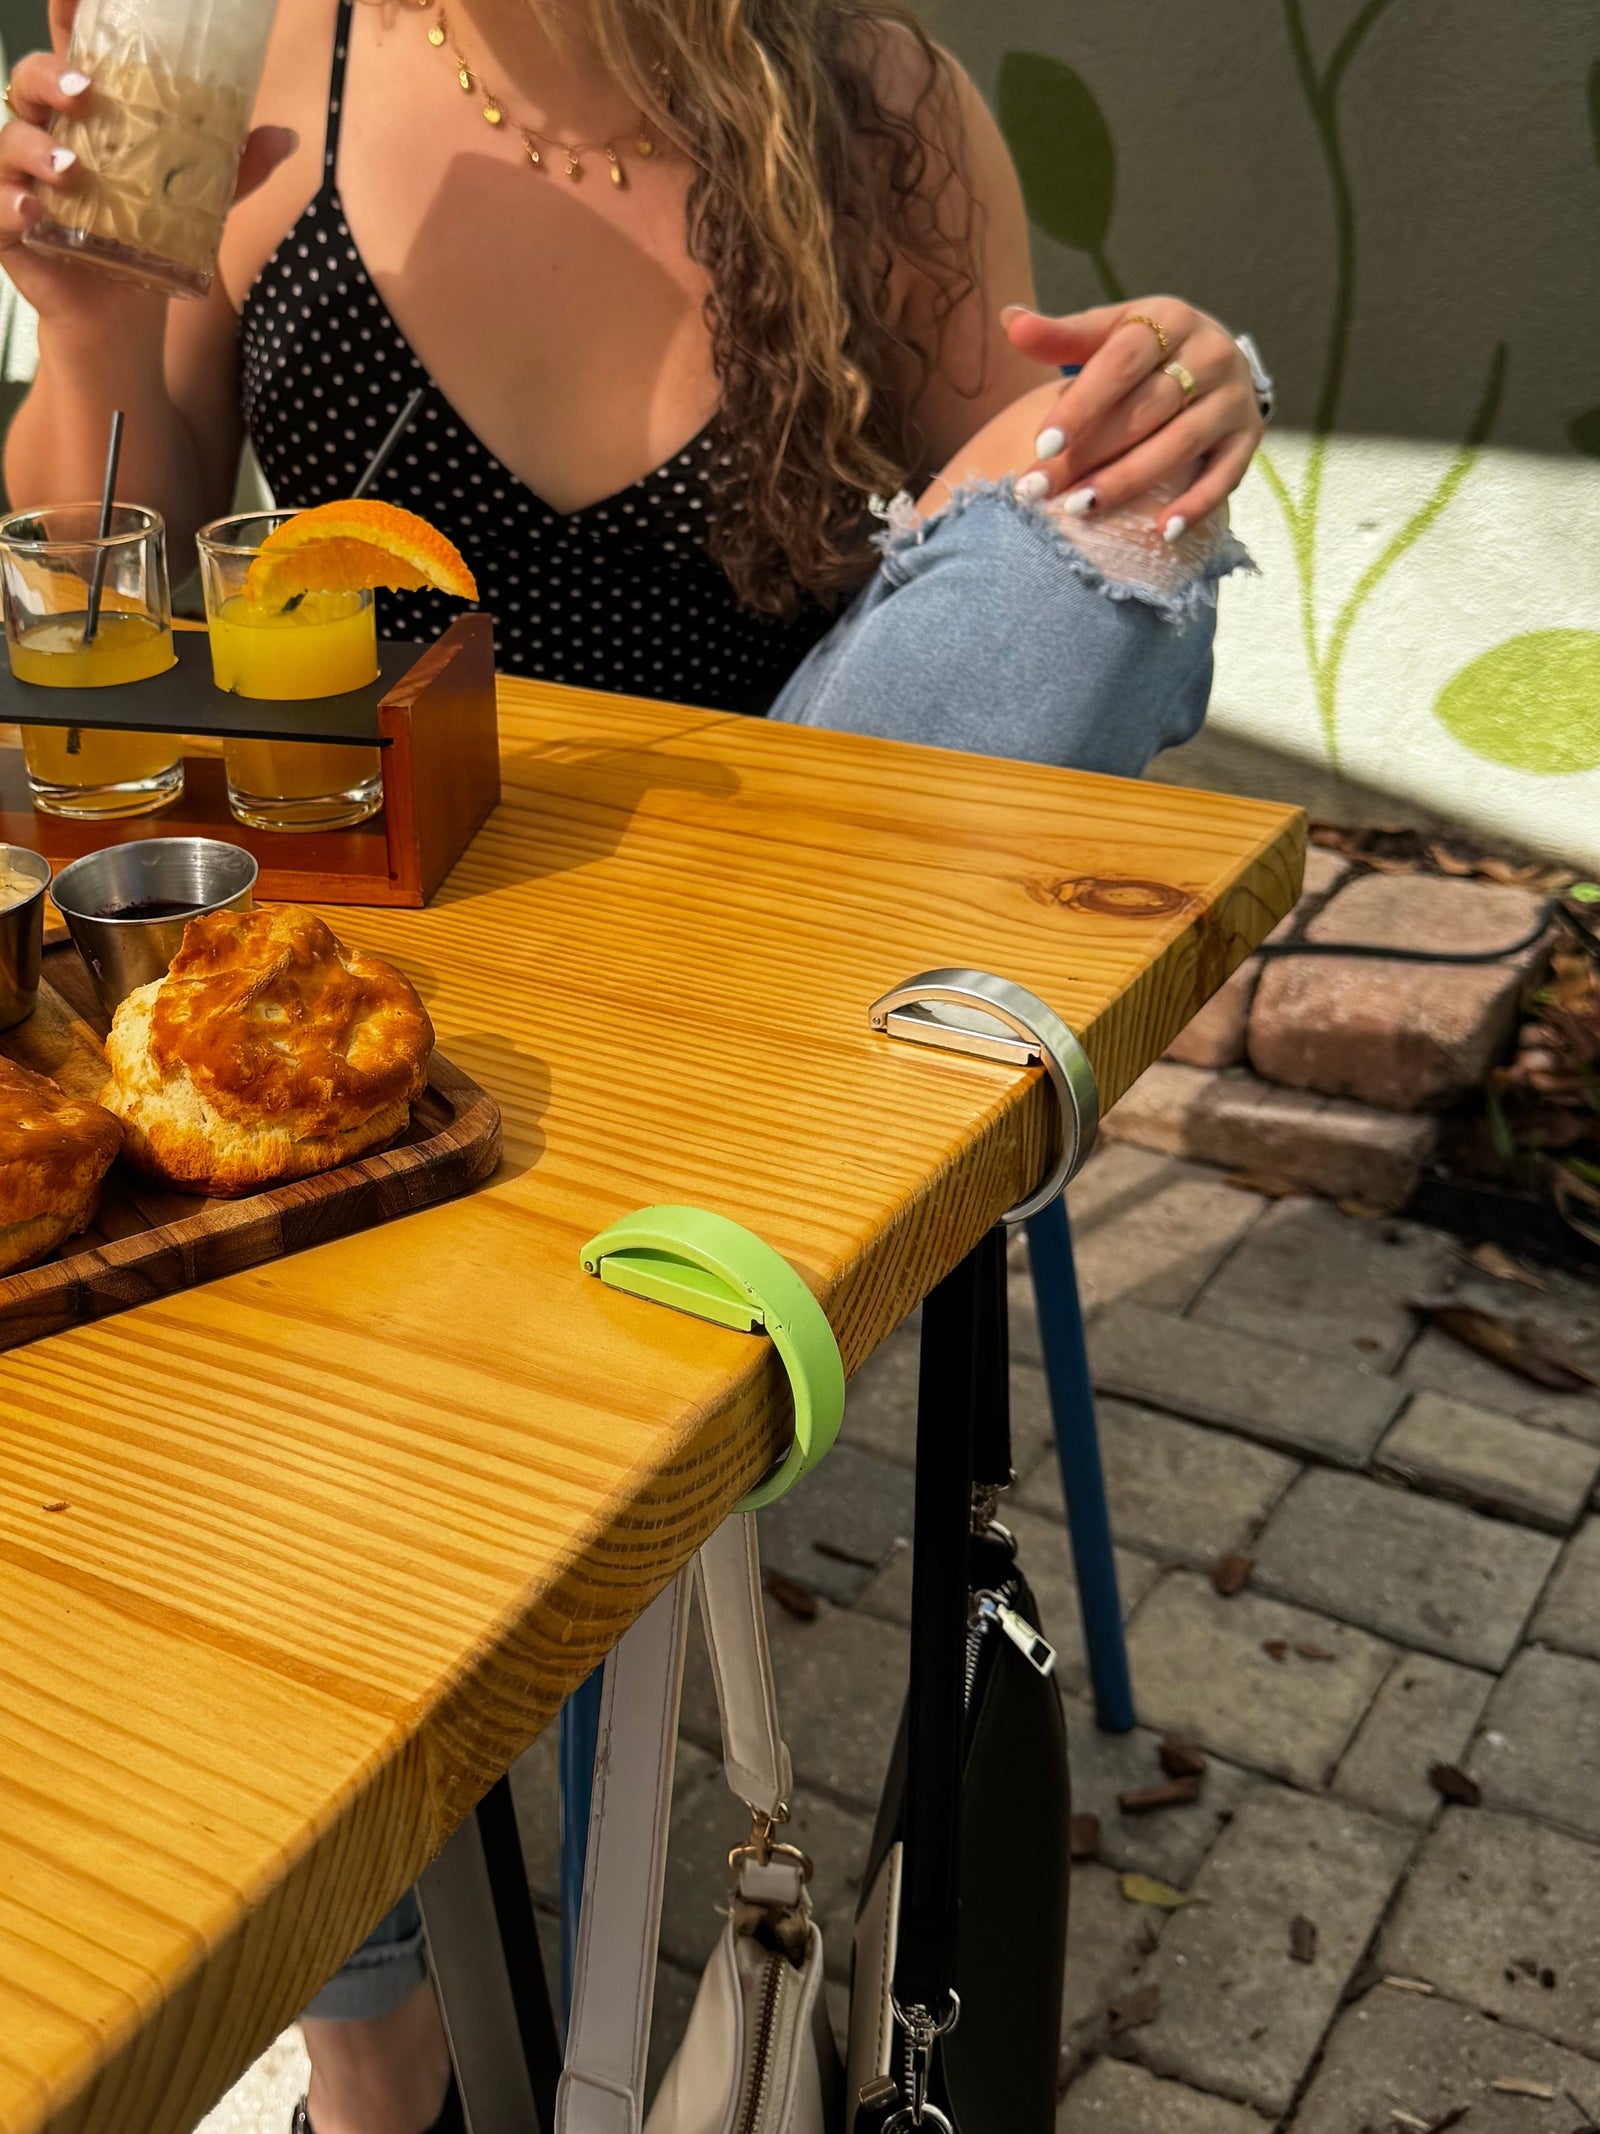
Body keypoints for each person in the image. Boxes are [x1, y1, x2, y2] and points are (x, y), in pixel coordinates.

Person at [0, 3, 1268, 2127]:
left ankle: (639, 1330)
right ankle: (381, 2046)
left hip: (771, 978)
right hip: (382, 999)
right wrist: (96, 331)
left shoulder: (861, 93)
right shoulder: (260, 60)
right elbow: (101, 638)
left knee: (1103, 554)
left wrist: (1165, 403)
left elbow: (1028, 565)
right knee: (252, 1328)